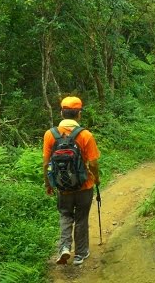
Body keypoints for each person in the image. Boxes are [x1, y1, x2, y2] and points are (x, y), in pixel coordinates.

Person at [42, 96, 100, 266]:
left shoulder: (50, 135)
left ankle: (65, 247)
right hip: (84, 186)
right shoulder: (85, 135)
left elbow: (46, 163)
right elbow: (93, 162)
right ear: (79, 114)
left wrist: (48, 183)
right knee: (81, 218)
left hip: (62, 186)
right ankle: (80, 254)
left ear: (61, 112)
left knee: (65, 215)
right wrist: (96, 178)